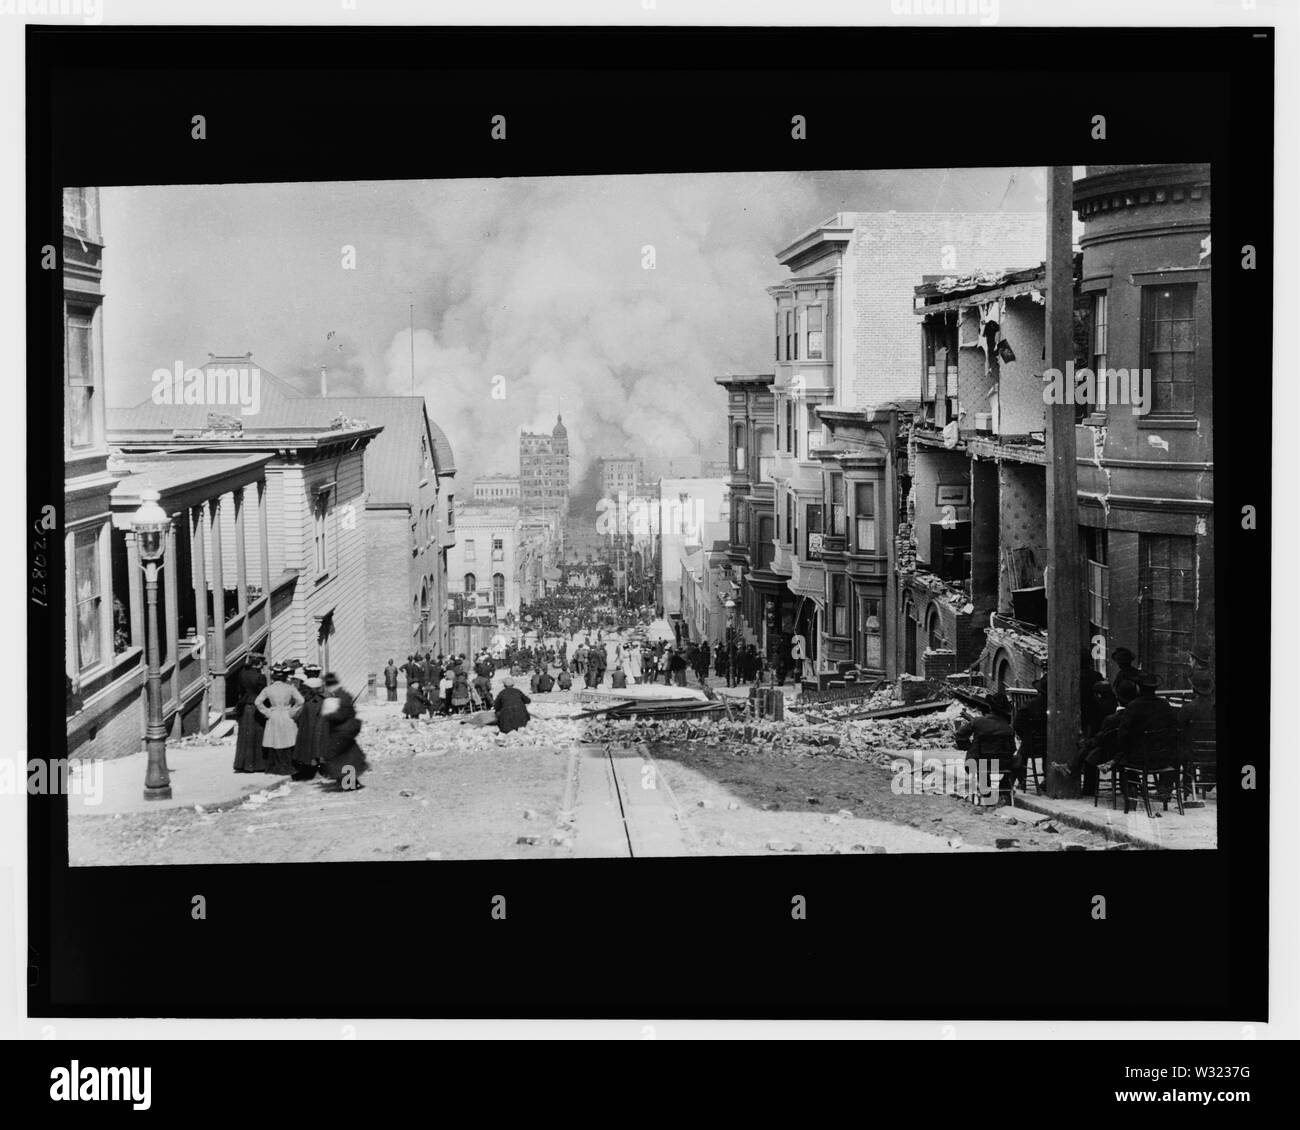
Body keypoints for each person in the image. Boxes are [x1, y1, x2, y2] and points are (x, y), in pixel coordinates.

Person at [954, 693, 1018, 802]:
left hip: (977, 764)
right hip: (1002, 765)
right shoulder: (1008, 728)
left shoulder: (978, 722)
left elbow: (960, 735)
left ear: (990, 708)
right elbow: (1012, 749)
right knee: (1018, 761)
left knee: (981, 762)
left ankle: (985, 789)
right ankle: (1003, 788)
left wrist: (969, 747)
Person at [319, 673, 367, 790]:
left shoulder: (341, 696)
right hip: (343, 730)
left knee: (343, 758)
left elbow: (342, 715)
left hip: (342, 731)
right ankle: (349, 782)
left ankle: (349, 783)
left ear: (329, 685)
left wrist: (328, 715)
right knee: (346, 757)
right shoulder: (340, 695)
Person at [256, 664, 305, 776]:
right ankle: (288, 766)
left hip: (273, 715)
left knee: (275, 739)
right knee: (287, 740)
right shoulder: (290, 688)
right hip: (286, 714)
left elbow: (257, 702)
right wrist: (292, 711)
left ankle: (274, 766)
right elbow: (301, 701)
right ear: (285, 677)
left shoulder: (268, 689)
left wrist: (267, 712)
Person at [232, 654, 269, 773]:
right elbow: (263, 694)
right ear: (258, 664)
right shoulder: (260, 677)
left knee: (245, 736)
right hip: (256, 707)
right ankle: (258, 765)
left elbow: (239, 691)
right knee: (258, 735)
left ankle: (242, 764)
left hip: (244, 706)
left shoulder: (242, 674)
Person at [291, 663, 327, 780]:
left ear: (307, 673)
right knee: (321, 736)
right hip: (322, 711)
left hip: (307, 713)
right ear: (317, 673)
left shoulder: (304, 686)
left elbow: (298, 700)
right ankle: (321, 762)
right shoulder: (323, 685)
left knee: (307, 736)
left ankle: (309, 763)